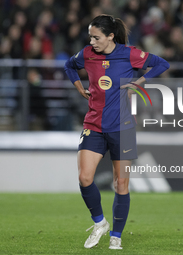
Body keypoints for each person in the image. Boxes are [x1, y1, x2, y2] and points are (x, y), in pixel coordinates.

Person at [64, 14, 169, 250]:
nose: (92, 42)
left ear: (111, 36)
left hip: (123, 127)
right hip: (93, 125)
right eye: (90, 37)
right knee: (84, 178)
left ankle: (116, 235)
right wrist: (79, 87)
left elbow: (162, 63)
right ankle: (100, 223)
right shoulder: (86, 54)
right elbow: (69, 65)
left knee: (121, 184)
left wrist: (138, 82)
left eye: (96, 37)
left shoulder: (129, 53)